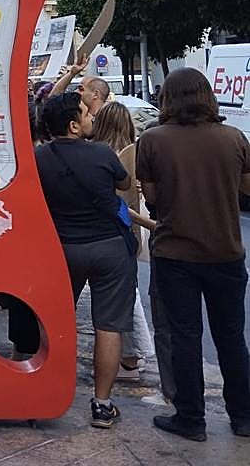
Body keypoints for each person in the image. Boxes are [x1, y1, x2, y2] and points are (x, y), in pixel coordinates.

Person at [137, 68, 250, 442]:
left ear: (168, 97)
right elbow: (245, 189)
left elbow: (151, 198)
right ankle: (243, 416)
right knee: (231, 336)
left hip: (175, 252)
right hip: (226, 251)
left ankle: (191, 417)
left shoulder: (152, 140)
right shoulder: (235, 138)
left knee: (185, 336)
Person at [35, 92, 137, 430]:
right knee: (108, 326)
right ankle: (102, 404)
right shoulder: (102, 154)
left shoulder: (39, 158)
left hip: (60, 250)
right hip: (109, 248)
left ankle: (42, 391)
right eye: (85, 113)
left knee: (55, 321)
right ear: (74, 125)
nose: (92, 116)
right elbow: (124, 182)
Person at [91, 101, 155, 383]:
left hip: (102, 234)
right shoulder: (130, 154)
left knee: (115, 306)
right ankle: (131, 356)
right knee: (127, 297)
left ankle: (129, 356)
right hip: (124, 235)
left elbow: (113, 204)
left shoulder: (96, 155)